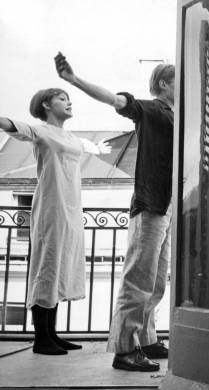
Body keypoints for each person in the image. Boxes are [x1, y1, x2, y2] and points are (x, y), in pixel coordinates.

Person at [55, 52, 174, 371]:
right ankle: (124, 351)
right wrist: (74, 80)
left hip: (166, 208)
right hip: (150, 205)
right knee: (139, 279)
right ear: (164, 84)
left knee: (157, 282)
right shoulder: (151, 109)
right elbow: (115, 100)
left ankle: (146, 340)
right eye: (179, 81)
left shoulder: (179, 115)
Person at [0, 89, 110, 355]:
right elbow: (10, 125)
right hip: (51, 205)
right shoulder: (40, 131)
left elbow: (88, 148)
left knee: (61, 266)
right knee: (48, 266)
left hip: (71, 208)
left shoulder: (70, 136)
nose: (69, 102)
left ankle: (51, 334)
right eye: (62, 98)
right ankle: (41, 339)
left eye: (69, 98)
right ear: (46, 104)